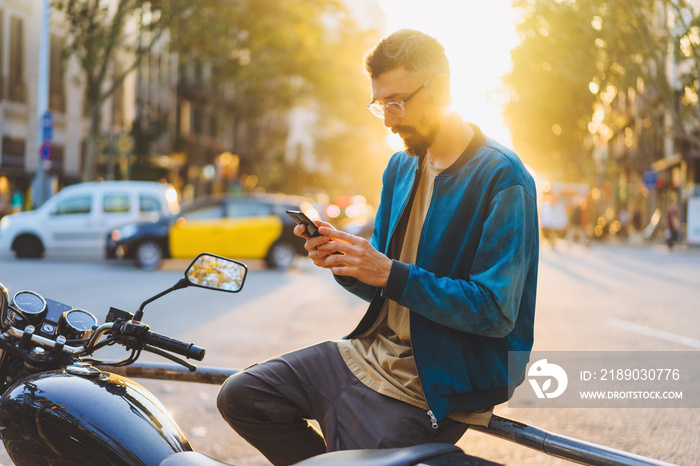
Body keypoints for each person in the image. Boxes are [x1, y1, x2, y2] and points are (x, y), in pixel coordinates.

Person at [217, 29, 540, 466]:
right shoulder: (400, 166)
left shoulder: (504, 178)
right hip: (368, 352)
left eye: (397, 102)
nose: (388, 119)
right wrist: (344, 263)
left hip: (441, 381)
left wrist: (390, 273)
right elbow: (382, 283)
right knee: (242, 395)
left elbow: (495, 312)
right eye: (380, 104)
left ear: (441, 89)